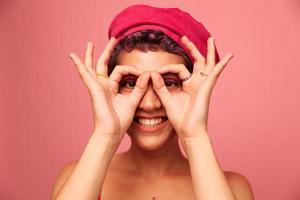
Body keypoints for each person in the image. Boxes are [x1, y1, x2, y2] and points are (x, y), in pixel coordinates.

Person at [51, 4, 254, 200]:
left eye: (169, 82)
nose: (149, 104)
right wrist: (105, 135)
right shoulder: (75, 178)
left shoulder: (234, 188)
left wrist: (195, 136)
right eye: (131, 83)